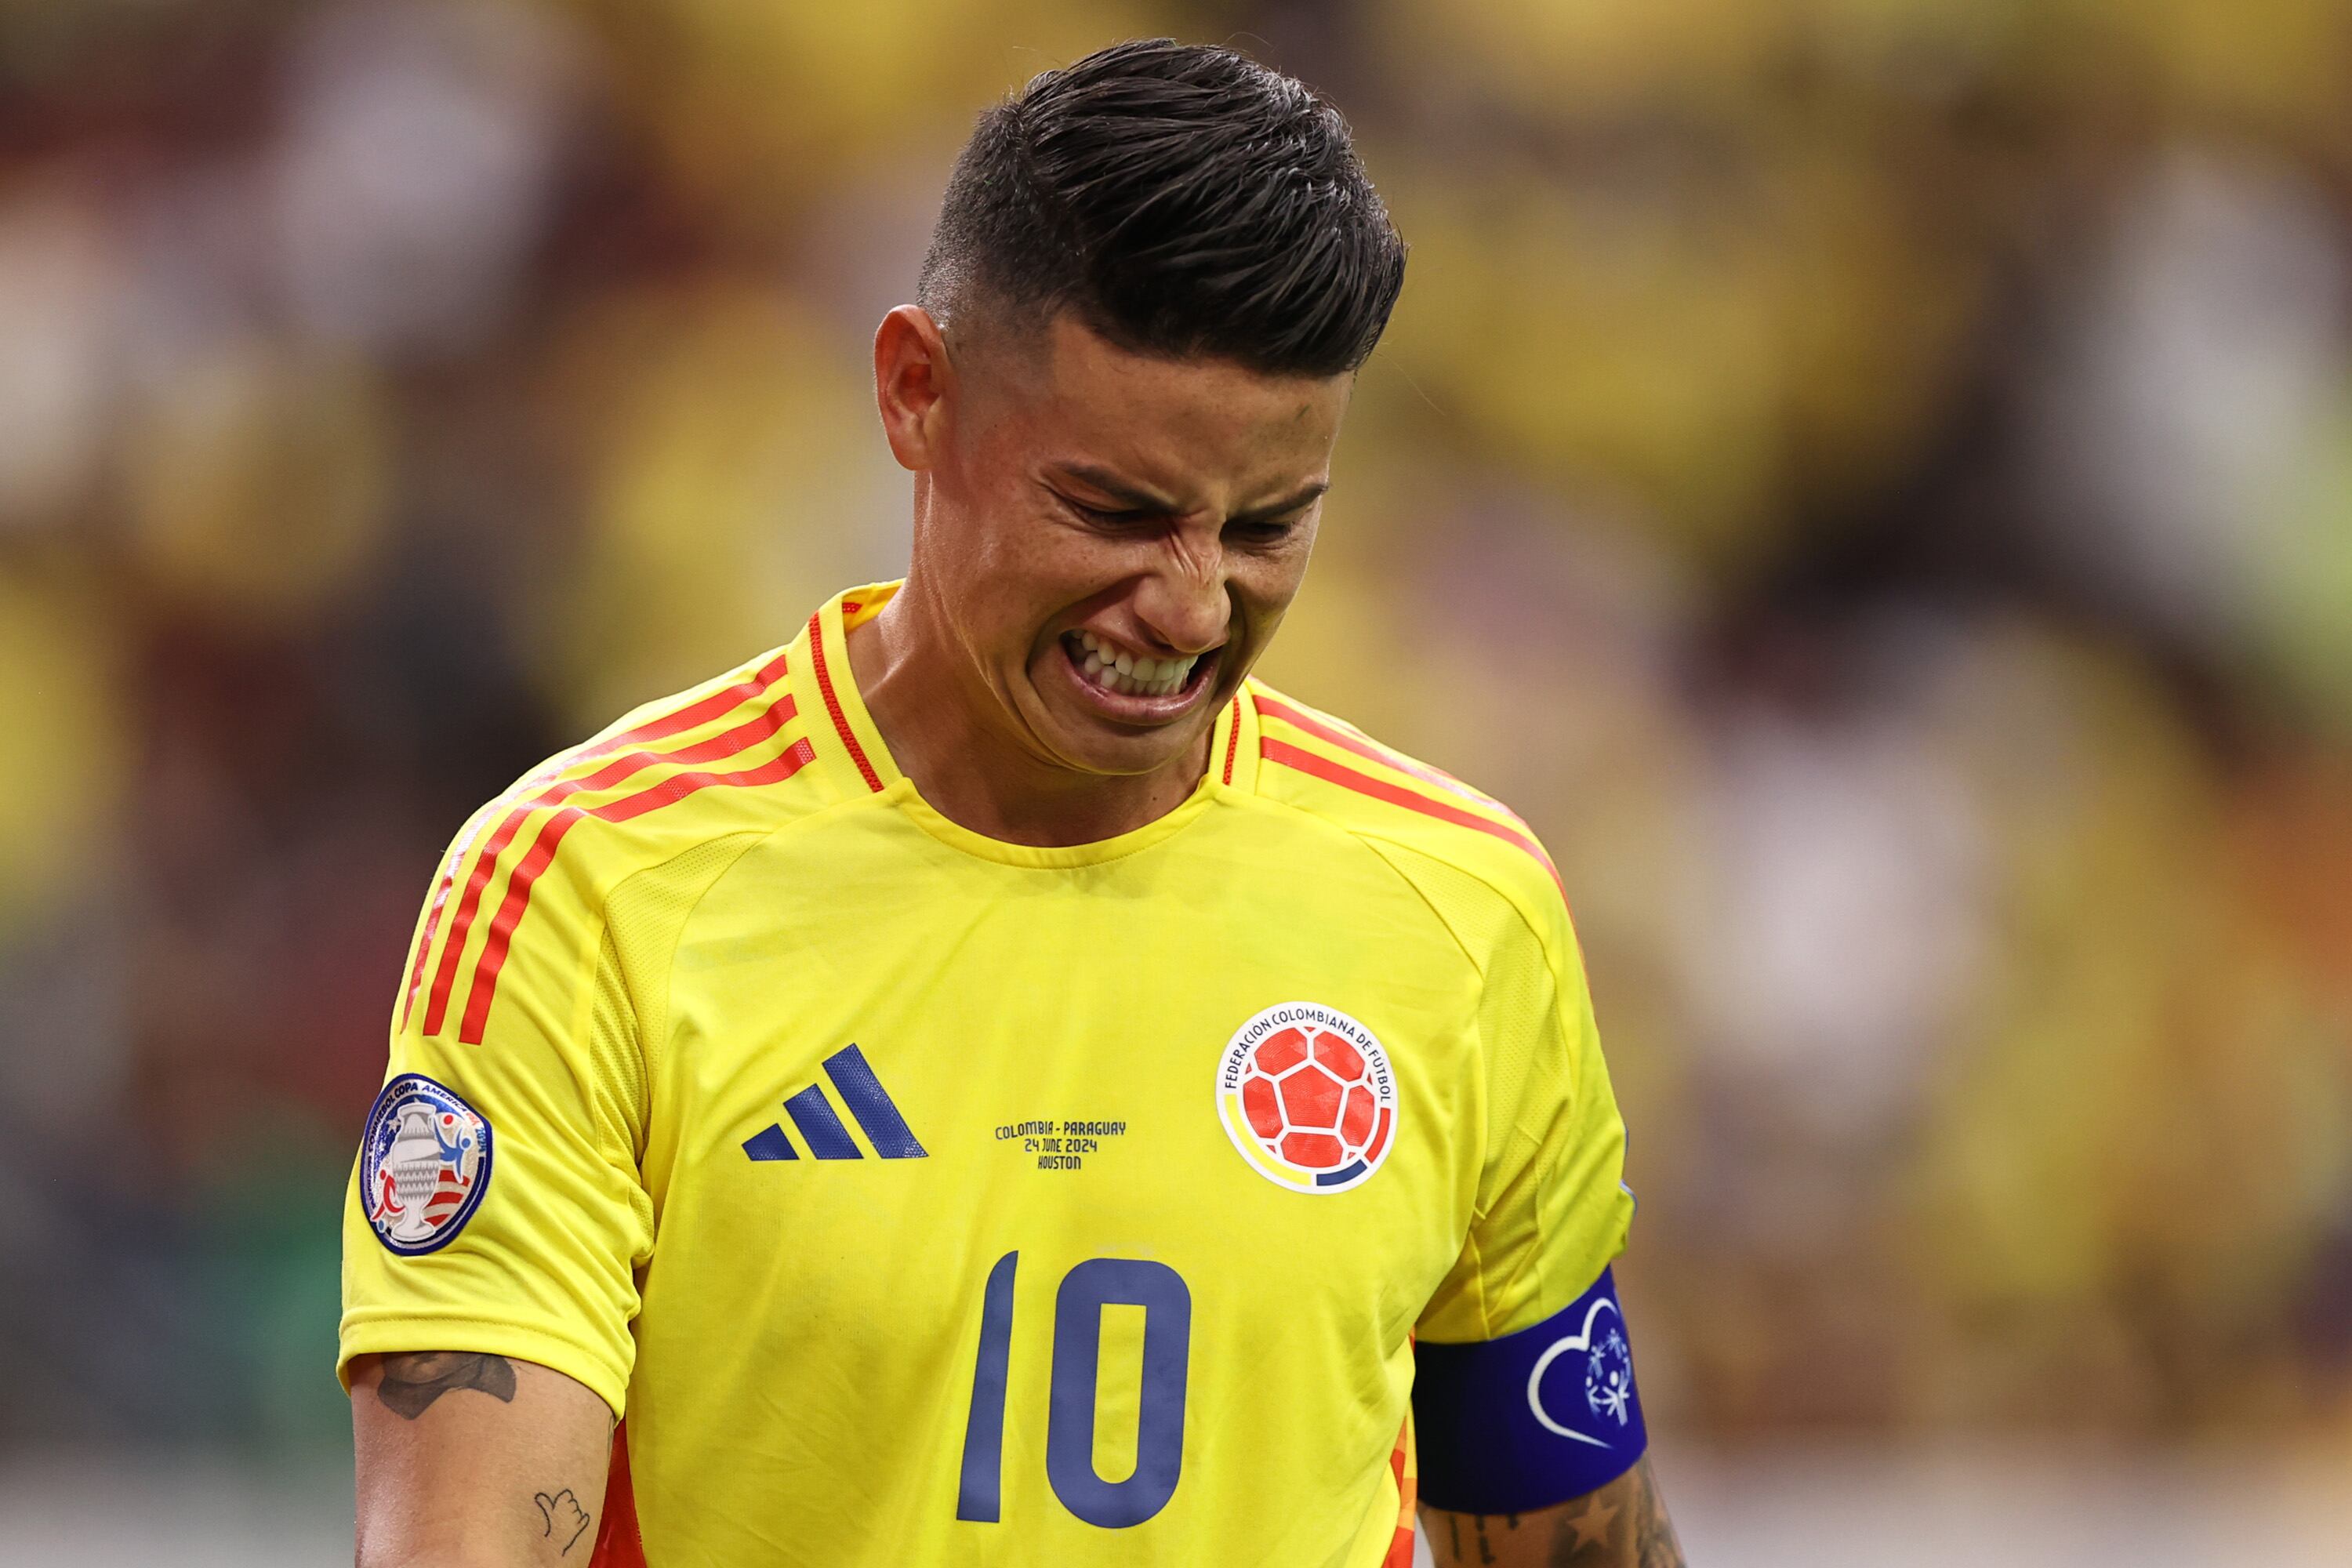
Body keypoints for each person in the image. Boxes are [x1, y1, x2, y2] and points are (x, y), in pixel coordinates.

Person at [340, 37, 1684, 1568]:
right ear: (917, 393)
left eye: (1266, 526)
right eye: (1111, 509)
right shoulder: (587, 894)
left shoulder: (1460, 912)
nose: (1187, 604)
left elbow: (1573, 1540)